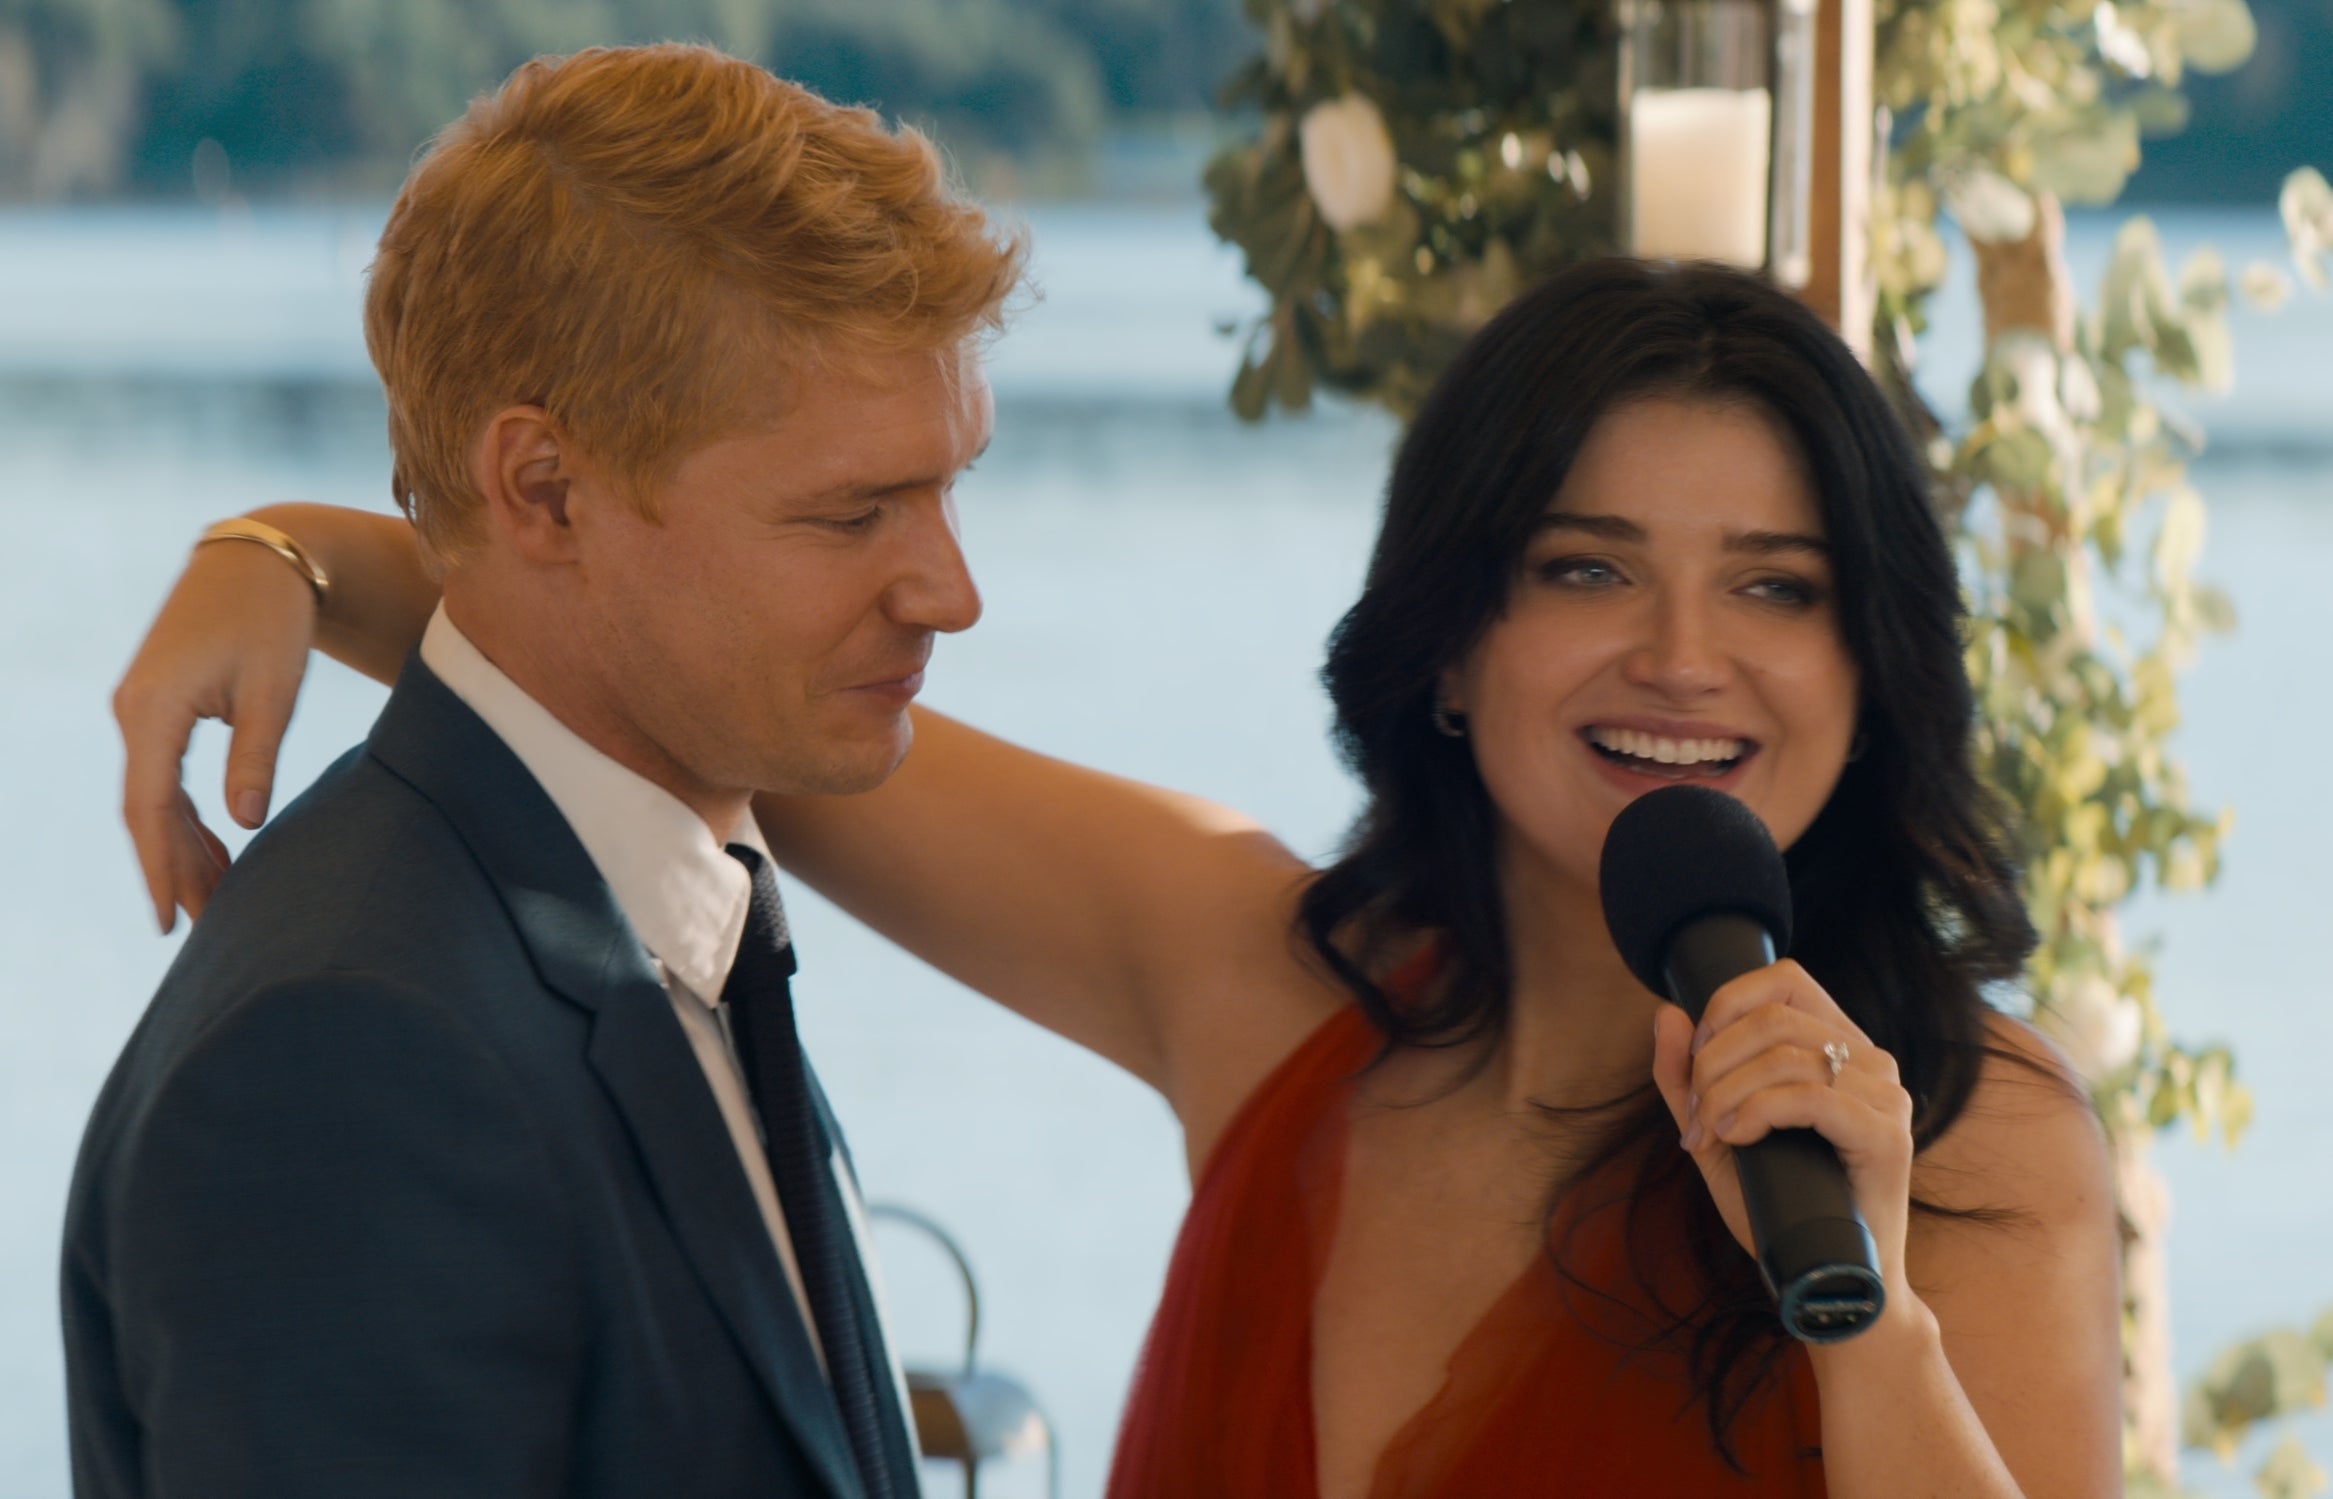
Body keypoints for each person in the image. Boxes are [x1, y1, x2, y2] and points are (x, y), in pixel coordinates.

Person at [113, 261, 2123, 1496]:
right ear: (1447, 639)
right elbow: (681, 664)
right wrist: (282, 554)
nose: (1682, 657)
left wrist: (1860, 1314)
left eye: (1777, 589)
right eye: (1582, 568)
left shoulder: (1979, 1139)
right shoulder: (1258, 981)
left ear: (1873, 665)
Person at [69, 43, 1023, 1499]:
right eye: (853, 513)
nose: (950, 591)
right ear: (543, 490)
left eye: (949, 483)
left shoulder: (659, 913)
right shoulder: (353, 1059)